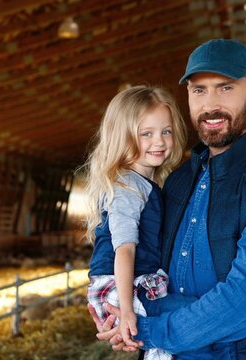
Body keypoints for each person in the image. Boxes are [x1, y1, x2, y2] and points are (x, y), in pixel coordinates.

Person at [90, 39, 246, 359]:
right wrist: (116, 310)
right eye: (199, 90)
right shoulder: (177, 182)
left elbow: (245, 304)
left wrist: (143, 329)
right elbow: (144, 265)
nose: (210, 104)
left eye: (225, 88)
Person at [83, 85, 188, 360]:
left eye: (166, 131)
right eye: (146, 134)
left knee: (168, 337)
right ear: (123, 136)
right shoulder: (128, 186)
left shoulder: (148, 182)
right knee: (182, 321)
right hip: (120, 284)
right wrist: (127, 309)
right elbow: (125, 249)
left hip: (136, 282)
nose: (160, 141)